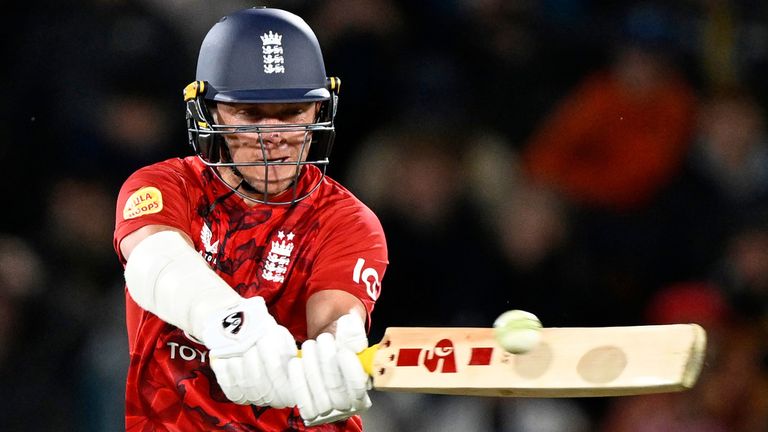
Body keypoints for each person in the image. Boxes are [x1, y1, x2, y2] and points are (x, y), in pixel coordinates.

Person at [112, 7, 388, 431]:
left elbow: (335, 317)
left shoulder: (347, 220)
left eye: (293, 112)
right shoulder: (167, 185)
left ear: (319, 112)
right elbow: (154, 260)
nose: (273, 135)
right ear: (209, 111)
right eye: (251, 114)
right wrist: (232, 324)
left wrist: (337, 347)